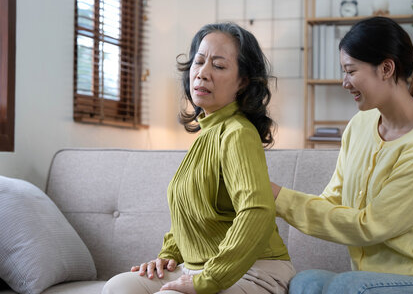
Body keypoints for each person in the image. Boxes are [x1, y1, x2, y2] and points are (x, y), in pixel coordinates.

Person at [271, 17, 413, 294]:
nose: (344, 82)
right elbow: (333, 200)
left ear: (386, 68)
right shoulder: (360, 125)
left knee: (346, 287)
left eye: (350, 70)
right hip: (372, 281)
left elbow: (369, 226)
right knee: (305, 283)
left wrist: (279, 198)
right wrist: (271, 200)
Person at [103, 22, 295, 294]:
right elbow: (189, 213)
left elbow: (257, 212)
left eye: (218, 65)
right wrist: (168, 255)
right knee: (118, 286)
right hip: (198, 268)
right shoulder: (206, 135)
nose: (202, 73)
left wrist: (209, 280)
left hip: (253, 271)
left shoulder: (238, 133)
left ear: (242, 82)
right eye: (199, 62)